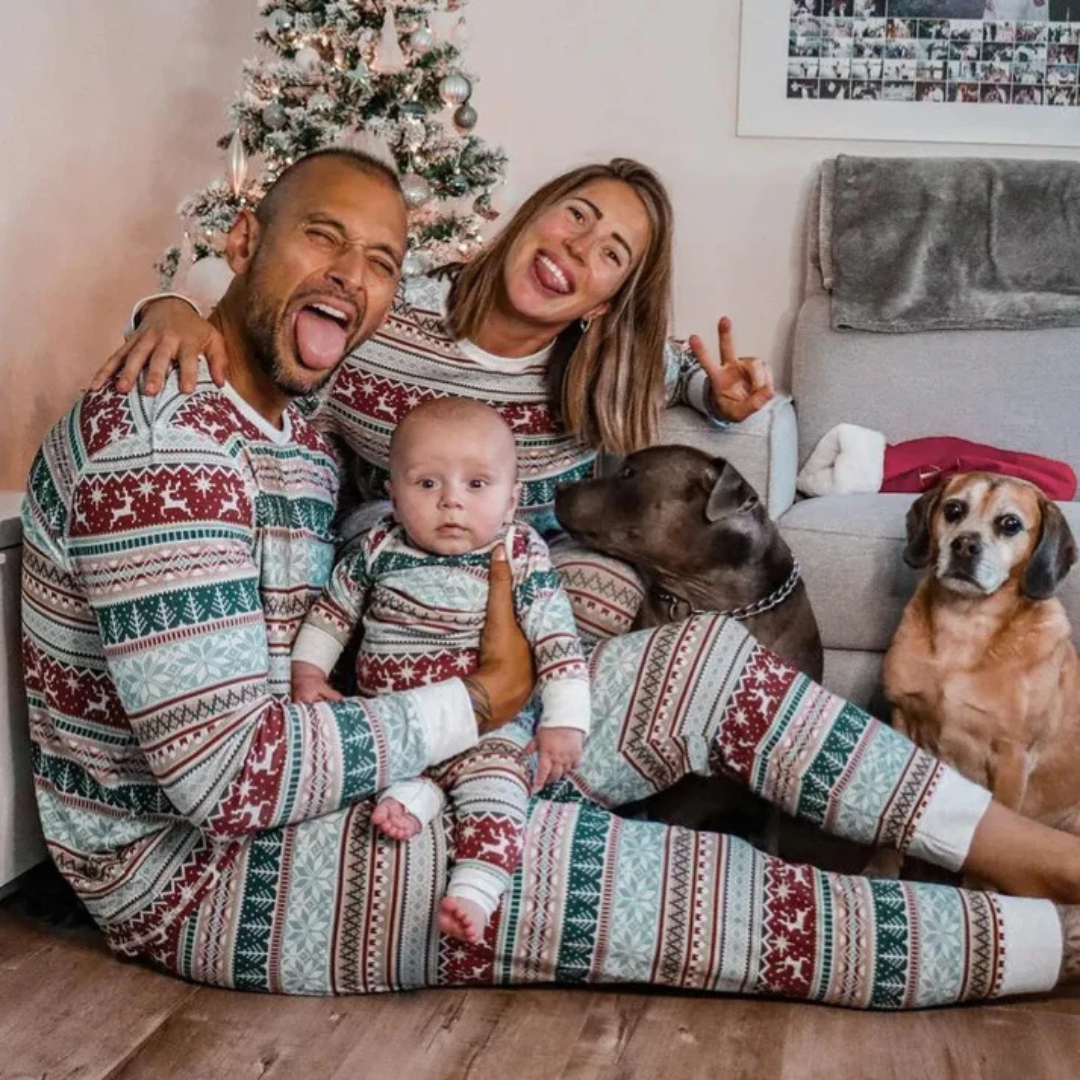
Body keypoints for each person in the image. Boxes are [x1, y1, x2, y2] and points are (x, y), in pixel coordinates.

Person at [50, 148, 1080, 1005]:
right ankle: (1062, 943)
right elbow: (229, 782)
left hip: (376, 759)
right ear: (243, 241)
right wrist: (481, 698)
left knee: (712, 660)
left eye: (378, 260)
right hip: (204, 873)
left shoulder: (294, 420)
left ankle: (1047, 860)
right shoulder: (163, 445)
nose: (351, 279)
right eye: (321, 237)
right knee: (695, 893)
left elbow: (658, 370)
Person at [290, 396, 590, 945]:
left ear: (511, 500)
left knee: (501, 795)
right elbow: (333, 612)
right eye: (427, 485)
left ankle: (475, 890)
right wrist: (309, 673)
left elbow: (556, 638)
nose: (452, 501)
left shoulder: (519, 550)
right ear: (393, 496)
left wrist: (565, 720)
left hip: (491, 731)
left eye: (477, 485)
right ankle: (418, 793)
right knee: (359, 769)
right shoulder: (380, 547)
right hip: (397, 722)